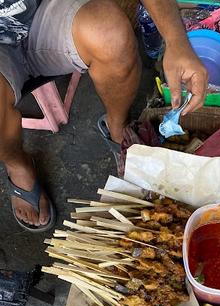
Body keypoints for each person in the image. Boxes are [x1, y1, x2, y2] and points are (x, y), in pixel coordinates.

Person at [0, 0, 208, 232]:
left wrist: (176, 41)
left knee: (109, 35)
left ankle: (118, 131)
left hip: (41, 13)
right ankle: (17, 165)